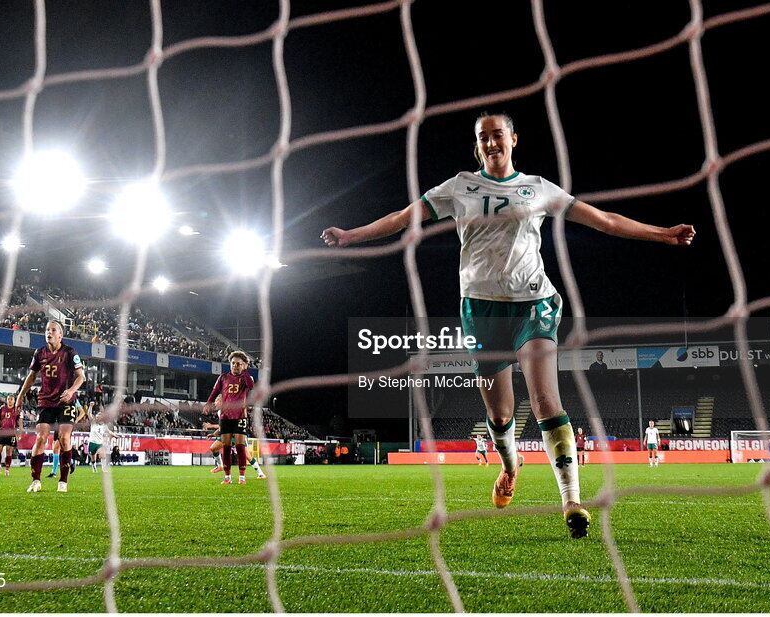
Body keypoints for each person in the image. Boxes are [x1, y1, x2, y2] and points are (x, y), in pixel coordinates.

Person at [321, 113, 695, 539]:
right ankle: (510, 464)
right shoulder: (460, 186)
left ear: (513, 139)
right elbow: (404, 216)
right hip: (480, 311)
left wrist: (661, 234)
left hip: (533, 303)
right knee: (499, 413)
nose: (491, 142)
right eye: (483, 137)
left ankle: (572, 501)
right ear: (477, 145)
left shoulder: (537, 188)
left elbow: (603, 220)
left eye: (498, 134)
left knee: (544, 401)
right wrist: (352, 235)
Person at [16, 321, 85, 493]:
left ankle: (63, 481)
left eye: (53, 330)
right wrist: (20, 395)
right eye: (47, 329)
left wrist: (71, 390)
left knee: (64, 438)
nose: (49, 332)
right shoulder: (39, 353)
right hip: (45, 401)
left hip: (66, 401)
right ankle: (36, 480)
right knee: (40, 438)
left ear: (60, 335)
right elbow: (32, 376)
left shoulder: (70, 352)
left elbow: (81, 377)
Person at [203, 351, 256, 485]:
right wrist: (209, 403)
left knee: (240, 446)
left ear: (243, 365)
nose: (235, 366)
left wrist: (245, 371)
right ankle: (227, 477)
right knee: (226, 446)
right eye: (233, 363)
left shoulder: (246, 378)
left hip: (239, 416)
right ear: (230, 364)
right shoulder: (223, 377)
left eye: (238, 364)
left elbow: (251, 387)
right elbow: (215, 392)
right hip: (226, 416)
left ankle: (242, 477)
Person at [81, 402, 118, 472]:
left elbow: (109, 431)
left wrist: (115, 435)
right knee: (93, 459)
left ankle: (104, 469)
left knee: (102, 455)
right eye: (97, 417)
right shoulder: (93, 423)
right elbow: (89, 414)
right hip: (92, 443)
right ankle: (93, 466)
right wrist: (90, 406)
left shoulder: (104, 426)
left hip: (99, 444)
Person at [0, 394, 21, 477]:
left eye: (11, 399)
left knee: (9, 451)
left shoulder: (16, 410)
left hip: (11, 433)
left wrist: (18, 434)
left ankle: (7, 469)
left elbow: (18, 423)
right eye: (8, 399)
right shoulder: (2, 408)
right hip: (2, 432)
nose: (10, 400)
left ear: (14, 401)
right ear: (7, 400)